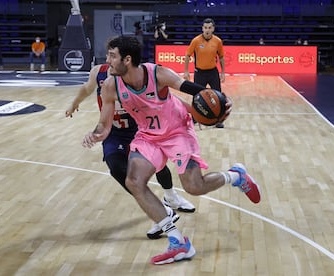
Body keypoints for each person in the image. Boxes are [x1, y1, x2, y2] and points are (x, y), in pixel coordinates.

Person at [82, 35, 261, 265]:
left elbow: (194, 90)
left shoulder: (157, 74)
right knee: (134, 181)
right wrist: (95, 134)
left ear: (127, 59)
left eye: (112, 56)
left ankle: (236, 176)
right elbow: (104, 125)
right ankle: (178, 242)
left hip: (177, 130)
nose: (107, 60)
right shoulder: (109, 85)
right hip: (148, 135)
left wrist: (223, 100)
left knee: (194, 187)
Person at [66, 62, 196, 239]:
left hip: (139, 127)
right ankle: (163, 211)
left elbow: (166, 97)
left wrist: (192, 111)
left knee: (157, 165)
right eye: (109, 55)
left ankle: (171, 196)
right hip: (114, 131)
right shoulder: (99, 73)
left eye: (114, 55)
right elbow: (87, 88)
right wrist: (74, 103)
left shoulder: (136, 76)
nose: (111, 60)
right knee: (116, 167)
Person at [184, 18, 226, 128]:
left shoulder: (217, 41)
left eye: (209, 28)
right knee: (197, 96)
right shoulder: (196, 41)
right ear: (202, 28)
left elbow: (221, 57)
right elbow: (187, 55)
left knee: (218, 97)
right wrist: (186, 71)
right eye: (205, 28)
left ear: (213, 29)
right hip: (200, 73)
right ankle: (195, 118)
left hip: (213, 72)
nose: (207, 30)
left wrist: (223, 73)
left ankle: (219, 120)